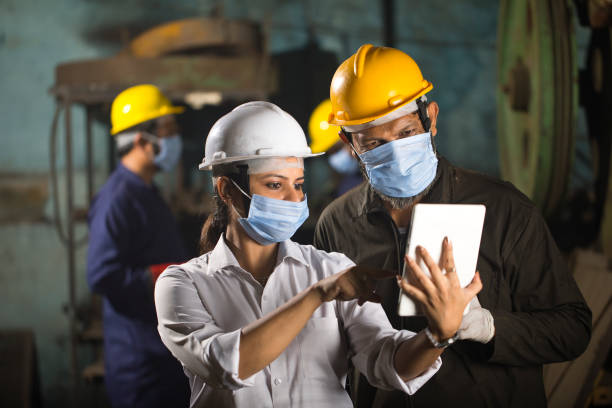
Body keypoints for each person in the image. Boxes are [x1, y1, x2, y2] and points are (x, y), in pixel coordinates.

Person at [313, 44, 592, 407]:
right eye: (375, 143)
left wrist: (489, 327)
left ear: (431, 118)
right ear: (348, 144)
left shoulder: (502, 208)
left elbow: (572, 329)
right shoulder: (337, 224)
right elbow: (328, 346)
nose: (396, 151)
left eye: (406, 132)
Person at [153, 101, 482, 408]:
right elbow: (225, 365)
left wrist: (437, 335)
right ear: (226, 190)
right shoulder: (183, 284)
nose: (294, 198)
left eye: (298, 184)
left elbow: (388, 361)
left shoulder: (332, 268)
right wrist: (316, 296)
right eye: (273, 185)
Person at [87, 84, 190, 408]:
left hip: (163, 352)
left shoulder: (145, 191)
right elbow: (101, 275)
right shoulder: (118, 198)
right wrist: (157, 276)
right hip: (140, 365)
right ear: (142, 140)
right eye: (168, 131)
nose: (175, 140)